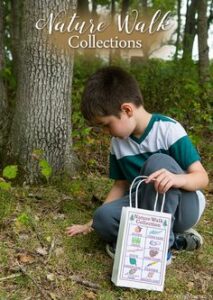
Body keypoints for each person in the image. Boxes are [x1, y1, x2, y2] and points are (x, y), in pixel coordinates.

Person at [66, 66, 209, 262]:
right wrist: (90, 223)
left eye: (106, 124)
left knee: (158, 162)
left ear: (126, 110)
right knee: (103, 219)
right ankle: (174, 239)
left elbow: (202, 178)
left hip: (184, 207)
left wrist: (176, 179)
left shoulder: (168, 129)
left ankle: (158, 249)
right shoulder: (118, 144)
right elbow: (121, 185)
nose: (106, 132)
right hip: (143, 205)